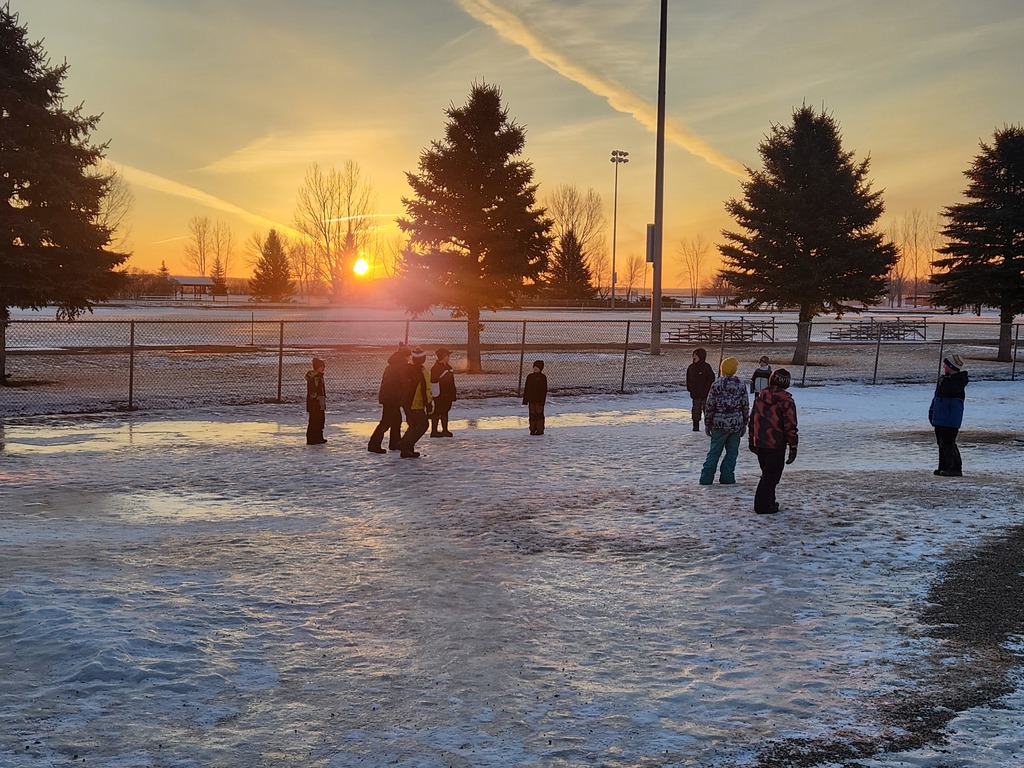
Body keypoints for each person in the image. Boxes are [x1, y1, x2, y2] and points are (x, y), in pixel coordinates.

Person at [748, 368, 799, 514]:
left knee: (767, 473)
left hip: (760, 441)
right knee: (771, 475)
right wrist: (793, 445)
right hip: (776, 444)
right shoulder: (787, 402)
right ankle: (762, 505)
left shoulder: (760, 397)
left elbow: (753, 419)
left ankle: (769, 502)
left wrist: (751, 438)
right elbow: (790, 425)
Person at [699, 356, 749, 485]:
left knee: (714, 452)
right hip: (735, 424)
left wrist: (707, 423)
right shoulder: (741, 385)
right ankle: (727, 477)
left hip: (719, 424)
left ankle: (706, 478)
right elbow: (745, 404)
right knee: (732, 453)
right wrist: (744, 422)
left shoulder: (716, 385)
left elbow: (710, 405)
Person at [929, 354, 968, 477]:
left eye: (946, 364)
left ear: (951, 366)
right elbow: (937, 398)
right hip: (941, 417)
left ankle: (954, 468)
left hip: (949, 419)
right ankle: (943, 466)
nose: (944, 366)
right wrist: (932, 413)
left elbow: (947, 391)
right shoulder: (945, 380)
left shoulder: (956, 382)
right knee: (941, 443)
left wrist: (944, 380)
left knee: (948, 442)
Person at [367, 344, 410, 454]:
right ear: (405, 356)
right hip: (393, 397)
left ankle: (394, 442)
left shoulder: (392, 365)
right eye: (408, 356)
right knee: (386, 422)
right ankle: (374, 444)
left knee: (396, 420)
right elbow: (404, 382)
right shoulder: (402, 366)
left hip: (389, 396)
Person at [397, 347, 433, 458]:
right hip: (416, 403)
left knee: (413, 425)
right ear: (423, 359)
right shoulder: (422, 371)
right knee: (423, 425)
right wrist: (428, 404)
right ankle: (404, 444)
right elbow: (426, 389)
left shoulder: (407, 369)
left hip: (406, 401)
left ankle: (407, 450)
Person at [685, 347, 716, 432]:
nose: (694, 357)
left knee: (707, 410)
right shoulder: (691, 367)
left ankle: (709, 426)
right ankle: (695, 426)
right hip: (696, 394)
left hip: (705, 394)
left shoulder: (706, 367)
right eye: (693, 355)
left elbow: (712, 378)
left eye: (696, 355)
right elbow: (688, 379)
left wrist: (707, 388)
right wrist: (690, 388)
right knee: (696, 410)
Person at [429, 347, 458, 437]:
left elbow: (451, 382)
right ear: (443, 356)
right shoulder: (436, 368)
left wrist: (453, 393)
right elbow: (433, 381)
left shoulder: (448, 367)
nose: (448, 358)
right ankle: (434, 431)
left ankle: (445, 430)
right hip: (440, 393)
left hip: (448, 393)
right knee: (438, 411)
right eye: (447, 356)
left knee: (445, 411)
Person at [305, 356, 327, 445]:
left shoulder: (320, 376)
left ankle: (319, 437)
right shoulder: (315, 378)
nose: (323, 368)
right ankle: (312, 438)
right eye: (322, 367)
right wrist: (315, 401)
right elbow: (313, 391)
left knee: (320, 420)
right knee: (314, 420)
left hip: (320, 401)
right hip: (315, 402)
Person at [523, 360, 548, 435]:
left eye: (537, 367)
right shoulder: (530, 376)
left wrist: (542, 400)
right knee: (532, 414)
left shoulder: (542, 377)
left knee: (539, 414)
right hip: (531, 399)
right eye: (534, 367)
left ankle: (540, 429)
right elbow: (526, 388)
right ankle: (532, 429)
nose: (535, 368)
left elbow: (544, 390)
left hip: (539, 400)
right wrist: (525, 400)